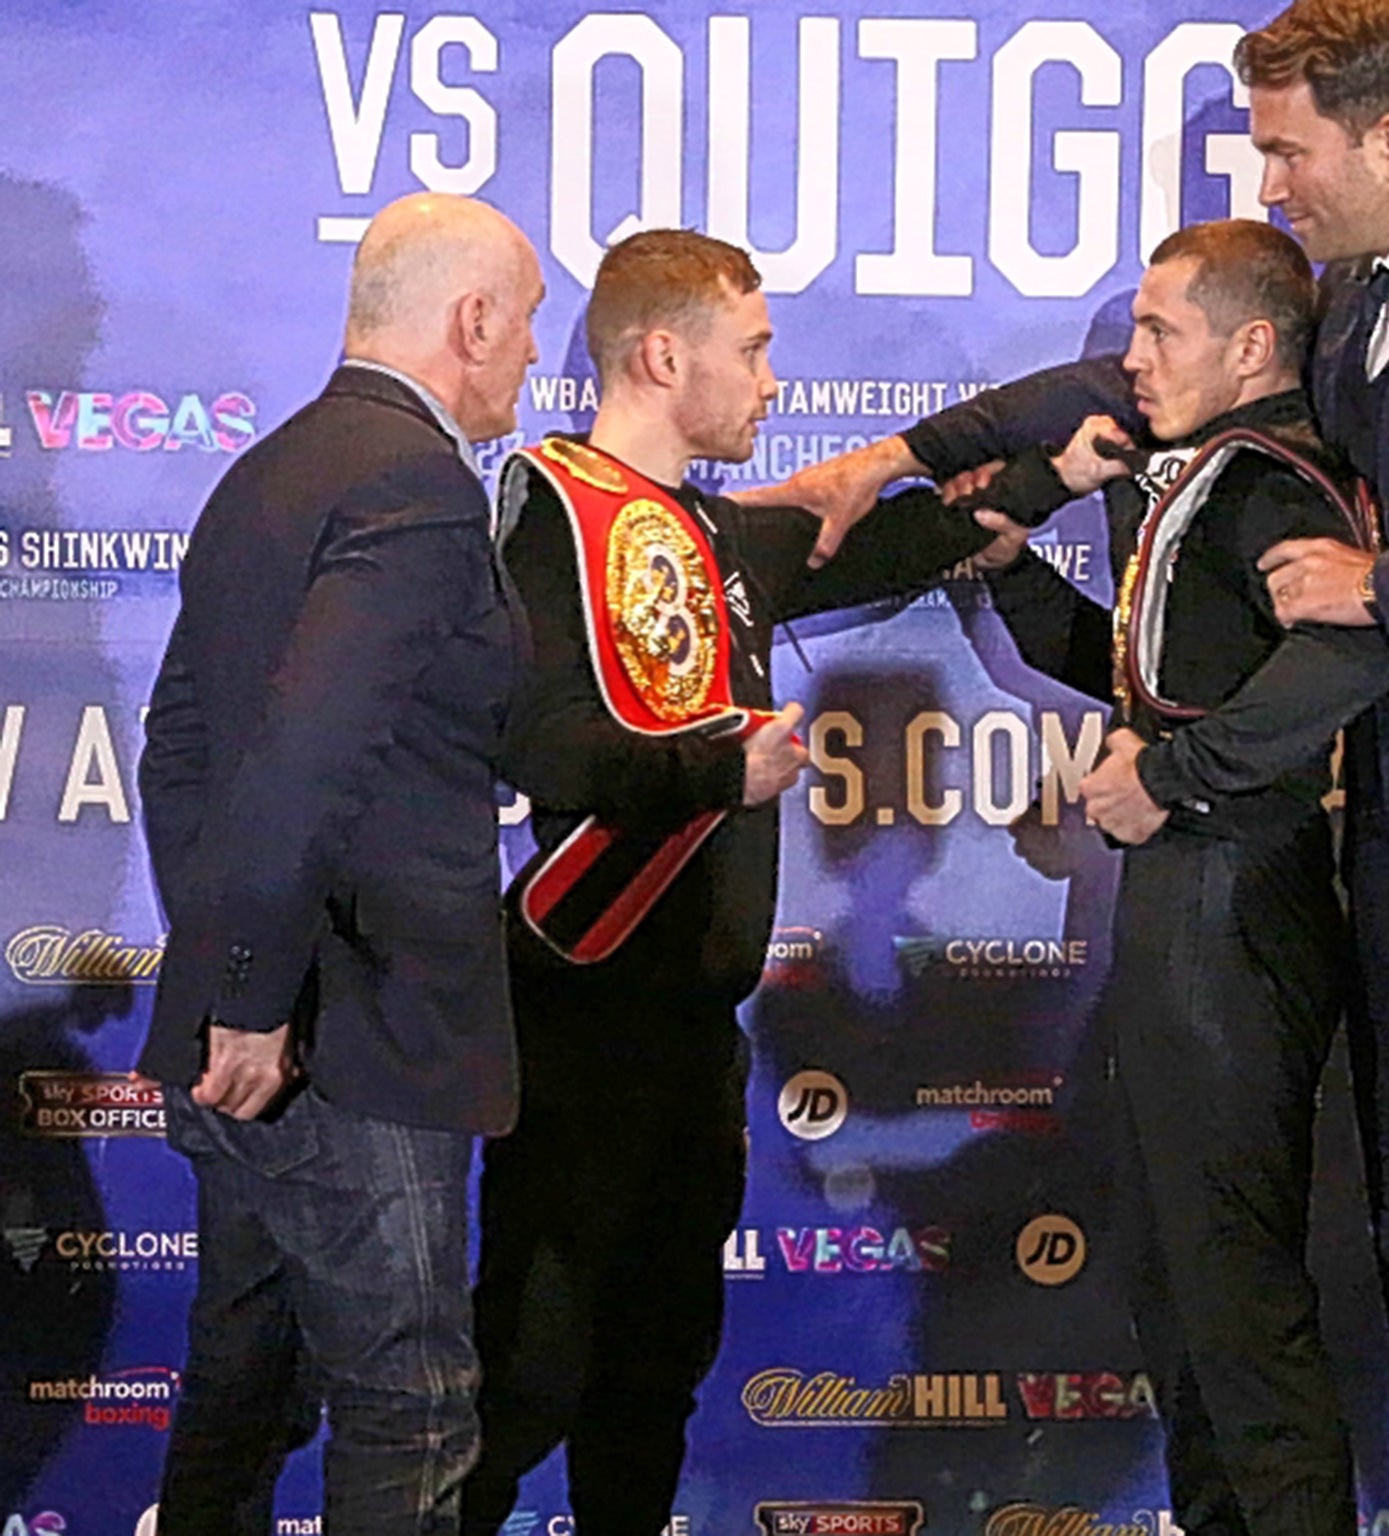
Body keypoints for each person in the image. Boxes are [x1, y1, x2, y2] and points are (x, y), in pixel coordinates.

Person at [766, 5, 1389, 1533]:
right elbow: (1080, 404)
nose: (1273, 181)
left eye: (1287, 148)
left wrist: (1388, 583)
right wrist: (877, 469)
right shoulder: (1357, 308)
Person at [459, 229, 1002, 1536]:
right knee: (528, 1374)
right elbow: (534, 743)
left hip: (693, 1028)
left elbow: (877, 545)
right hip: (577, 1011)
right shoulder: (552, 510)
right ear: (661, 355)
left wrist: (1034, 473)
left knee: (655, 1374)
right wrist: (713, 770)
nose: (770, 381)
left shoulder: (710, 533)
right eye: (751, 352)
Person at [944, 218, 1389, 1535]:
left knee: (1232, 1287)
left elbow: (1348, 661)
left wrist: (1179, 778)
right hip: (1194, 902)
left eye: (1160, 333)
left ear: (1252, 343)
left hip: (1236, 897)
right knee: (1184, 1282)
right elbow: (1157, 676)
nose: (1130, 360)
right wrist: (1010, 579)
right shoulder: (1199, 478)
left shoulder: (1271, 485)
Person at [136, 193, 542, 1534]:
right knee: (409, 1400)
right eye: (530, 324)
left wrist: (217, 970)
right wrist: (253, 993)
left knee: (247, 1377)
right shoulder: (416, 486)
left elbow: (179, 748)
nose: (537, 357)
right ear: (472, 321)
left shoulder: (271, 467)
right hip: (347, 1041)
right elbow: (306, 754)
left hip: (254, 1028)